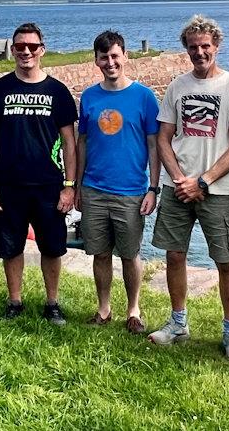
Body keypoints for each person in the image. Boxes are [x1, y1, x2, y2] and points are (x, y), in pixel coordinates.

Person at [149, 15, 229, 359]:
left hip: (218, 190)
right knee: (174, 255)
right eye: (193, 47)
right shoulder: (177, 86)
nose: (199, 52)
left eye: (205, 46)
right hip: (177, 186)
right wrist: (180, 178)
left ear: (216, 46)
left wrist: (203, 181)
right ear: (186, 50)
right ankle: (178, 322)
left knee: (225, 260)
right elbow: (163, 137)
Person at [0, 22, 77, 326]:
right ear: (12, 51)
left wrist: (70, 186)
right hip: (9, 185)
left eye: (32, 47)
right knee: (11, 246)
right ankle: (15, 301)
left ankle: (52, 303)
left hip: (49, 184)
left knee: (52, 246)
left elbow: (71, 145)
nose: (25, 52)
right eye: (20, 46)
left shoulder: (57, 92)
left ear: (41, 50)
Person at [76, 30, 160, 334]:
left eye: (115, 55)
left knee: (129, 254)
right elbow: (81, 142)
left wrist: (153, 187)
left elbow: (154, 145)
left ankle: (133, 309)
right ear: (96, 60)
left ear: (125, 56)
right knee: (99, 253)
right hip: (94, 188)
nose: (110, 62)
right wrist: (76, 185)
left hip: (131, 191)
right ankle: (103, 308)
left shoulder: (144, 97)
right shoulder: (89, 96)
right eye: (104, 57)